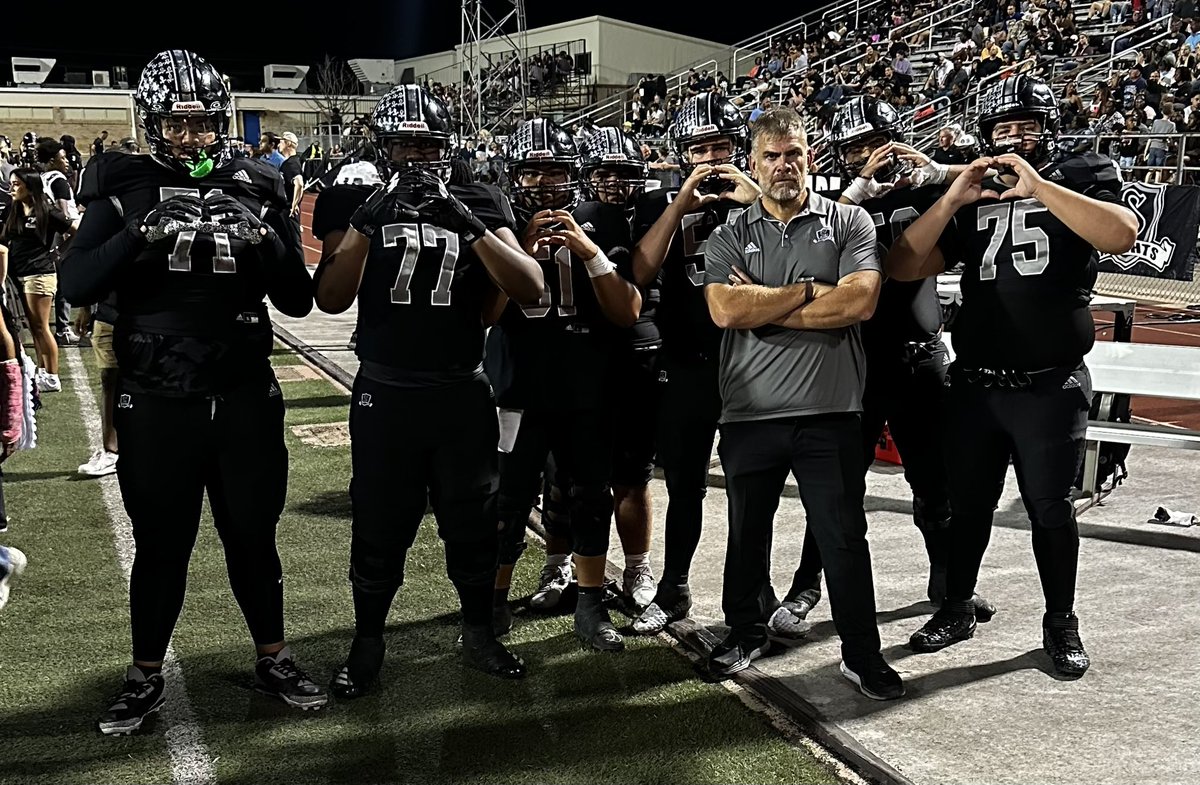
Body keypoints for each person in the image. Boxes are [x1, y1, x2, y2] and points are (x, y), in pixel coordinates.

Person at [60, 49, 326, 735]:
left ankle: (273, 657)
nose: (191, 139)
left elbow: (298, 298)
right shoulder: (121, 180)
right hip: (156, 399)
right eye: (177, 125)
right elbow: (76, 283)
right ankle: (145, 672)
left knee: (252, 538)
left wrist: (266, 236)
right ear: (151, 122)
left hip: (242, 394)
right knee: (161, 544)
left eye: (203, 124)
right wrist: (140, 231)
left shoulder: (259, 180)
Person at [885, 74, 1138, 678]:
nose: (1014, 137)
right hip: (976, 384)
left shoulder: (1079, 172)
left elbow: (1123, 234)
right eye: (1003, 128)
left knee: (1051, 508)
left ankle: (1060, 622)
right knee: (968, 507)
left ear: (1047, 129)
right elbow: (902, 265)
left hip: (1048, 385)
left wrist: (1041, 186)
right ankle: (956, 605)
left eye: (1026, 125)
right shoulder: (973, 196)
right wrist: (951, 198)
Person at [312, 84, 543, 697]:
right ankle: (367, 641)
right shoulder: (356, 200)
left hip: (460, 390)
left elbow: (531, 288)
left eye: (426, 144)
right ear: (382, 150)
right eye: (402, 145)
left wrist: (466, 222)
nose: (414, 157)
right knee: (380, 522)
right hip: (386, 392)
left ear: (448, 147)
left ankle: (479, 632)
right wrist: (367, 219)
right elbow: (330, 297)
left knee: (474, 521)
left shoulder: (479, 196)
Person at [702, 107, 903, 700]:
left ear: (810, 156)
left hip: (831, 413)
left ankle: (861, 654)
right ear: (754, 165)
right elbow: (725, 311)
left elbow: (859, 304)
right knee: (746, 533)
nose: (784, 165)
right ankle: (744, 630)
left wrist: (767, 302)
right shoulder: (728, 233)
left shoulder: (850, 221)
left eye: (794, 152)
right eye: (771, 156)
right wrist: (813, 290)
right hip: (748, 412)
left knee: (843, 538)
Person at [780, 96, 995, 624]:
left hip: (921, 354)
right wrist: (858, 190)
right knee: (839, 483)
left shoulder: (933, 186)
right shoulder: (833, 202)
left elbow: (1001, 176)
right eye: (857, 149)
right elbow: (802, 246)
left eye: (878, 142)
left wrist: (938, 168)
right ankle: (807, 587)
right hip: (855, 358)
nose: (871, 155)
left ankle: (949, 583)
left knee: (934, 481)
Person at [487, 122, 644, 650]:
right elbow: (484, 315)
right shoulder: (498, 221)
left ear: (574, 173)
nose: (545, 182)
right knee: (508, 501)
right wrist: (520, 256)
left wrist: (589, 251)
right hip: (517, 386)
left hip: (586, 385)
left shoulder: (600, 219)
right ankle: (492, 602)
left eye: (555, 170)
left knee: (590, 495)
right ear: (515, 175)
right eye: (533, 170)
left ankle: (590, 602)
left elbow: (626, 312)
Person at [627, 93, 770, 637]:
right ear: (683, 155)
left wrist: (753, 196)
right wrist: (677, 204)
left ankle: (759, 591)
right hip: (687, 362)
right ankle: (674, 586)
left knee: (752, 488)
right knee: (685, 486)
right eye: (699, 149)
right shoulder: (660, 199)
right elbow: (639, 273)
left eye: (720, 146)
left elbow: (801, 244)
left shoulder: (764, 194)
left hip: (754, 362)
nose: (711, 160)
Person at [1, 169, 74, 393]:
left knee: (42, 327)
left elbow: (76, 230)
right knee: (34, 327)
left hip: (39, 273)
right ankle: (42, 371)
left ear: (30, 187)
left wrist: (59, 252)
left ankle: (52, 376)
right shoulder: (14, 209)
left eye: (16, 184)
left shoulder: (47, 211)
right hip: (19, 273)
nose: (12, 188)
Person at [36, 139, 82, 347]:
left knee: (59, 282)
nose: (66, 162)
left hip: (47, 232)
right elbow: (63, 213)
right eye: (62, 158)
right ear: (53, 160)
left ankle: (62, 327)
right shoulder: (59, 179)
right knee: (67, 281)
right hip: (64, 234)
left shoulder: (42, 178)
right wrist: (65, 243)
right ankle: (64, 329)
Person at [279, 132, 305, 222]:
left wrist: (294, 204)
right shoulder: (294, 161)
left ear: (288, 143)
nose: (279, 144)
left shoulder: (291, 163)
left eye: (281, 141)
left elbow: (300, 183)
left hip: (289, 212)